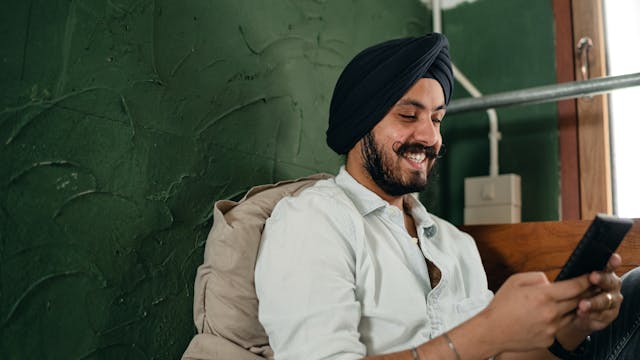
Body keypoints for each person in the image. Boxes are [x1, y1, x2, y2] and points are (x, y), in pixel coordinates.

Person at [254, 33, 640, 359]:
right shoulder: (313, 220)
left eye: (437, 119)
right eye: (409, 116)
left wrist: (573, 328)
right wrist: (485, 330)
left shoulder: (456, 244)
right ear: (360, 123)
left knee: (635, 286)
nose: (430, 137)